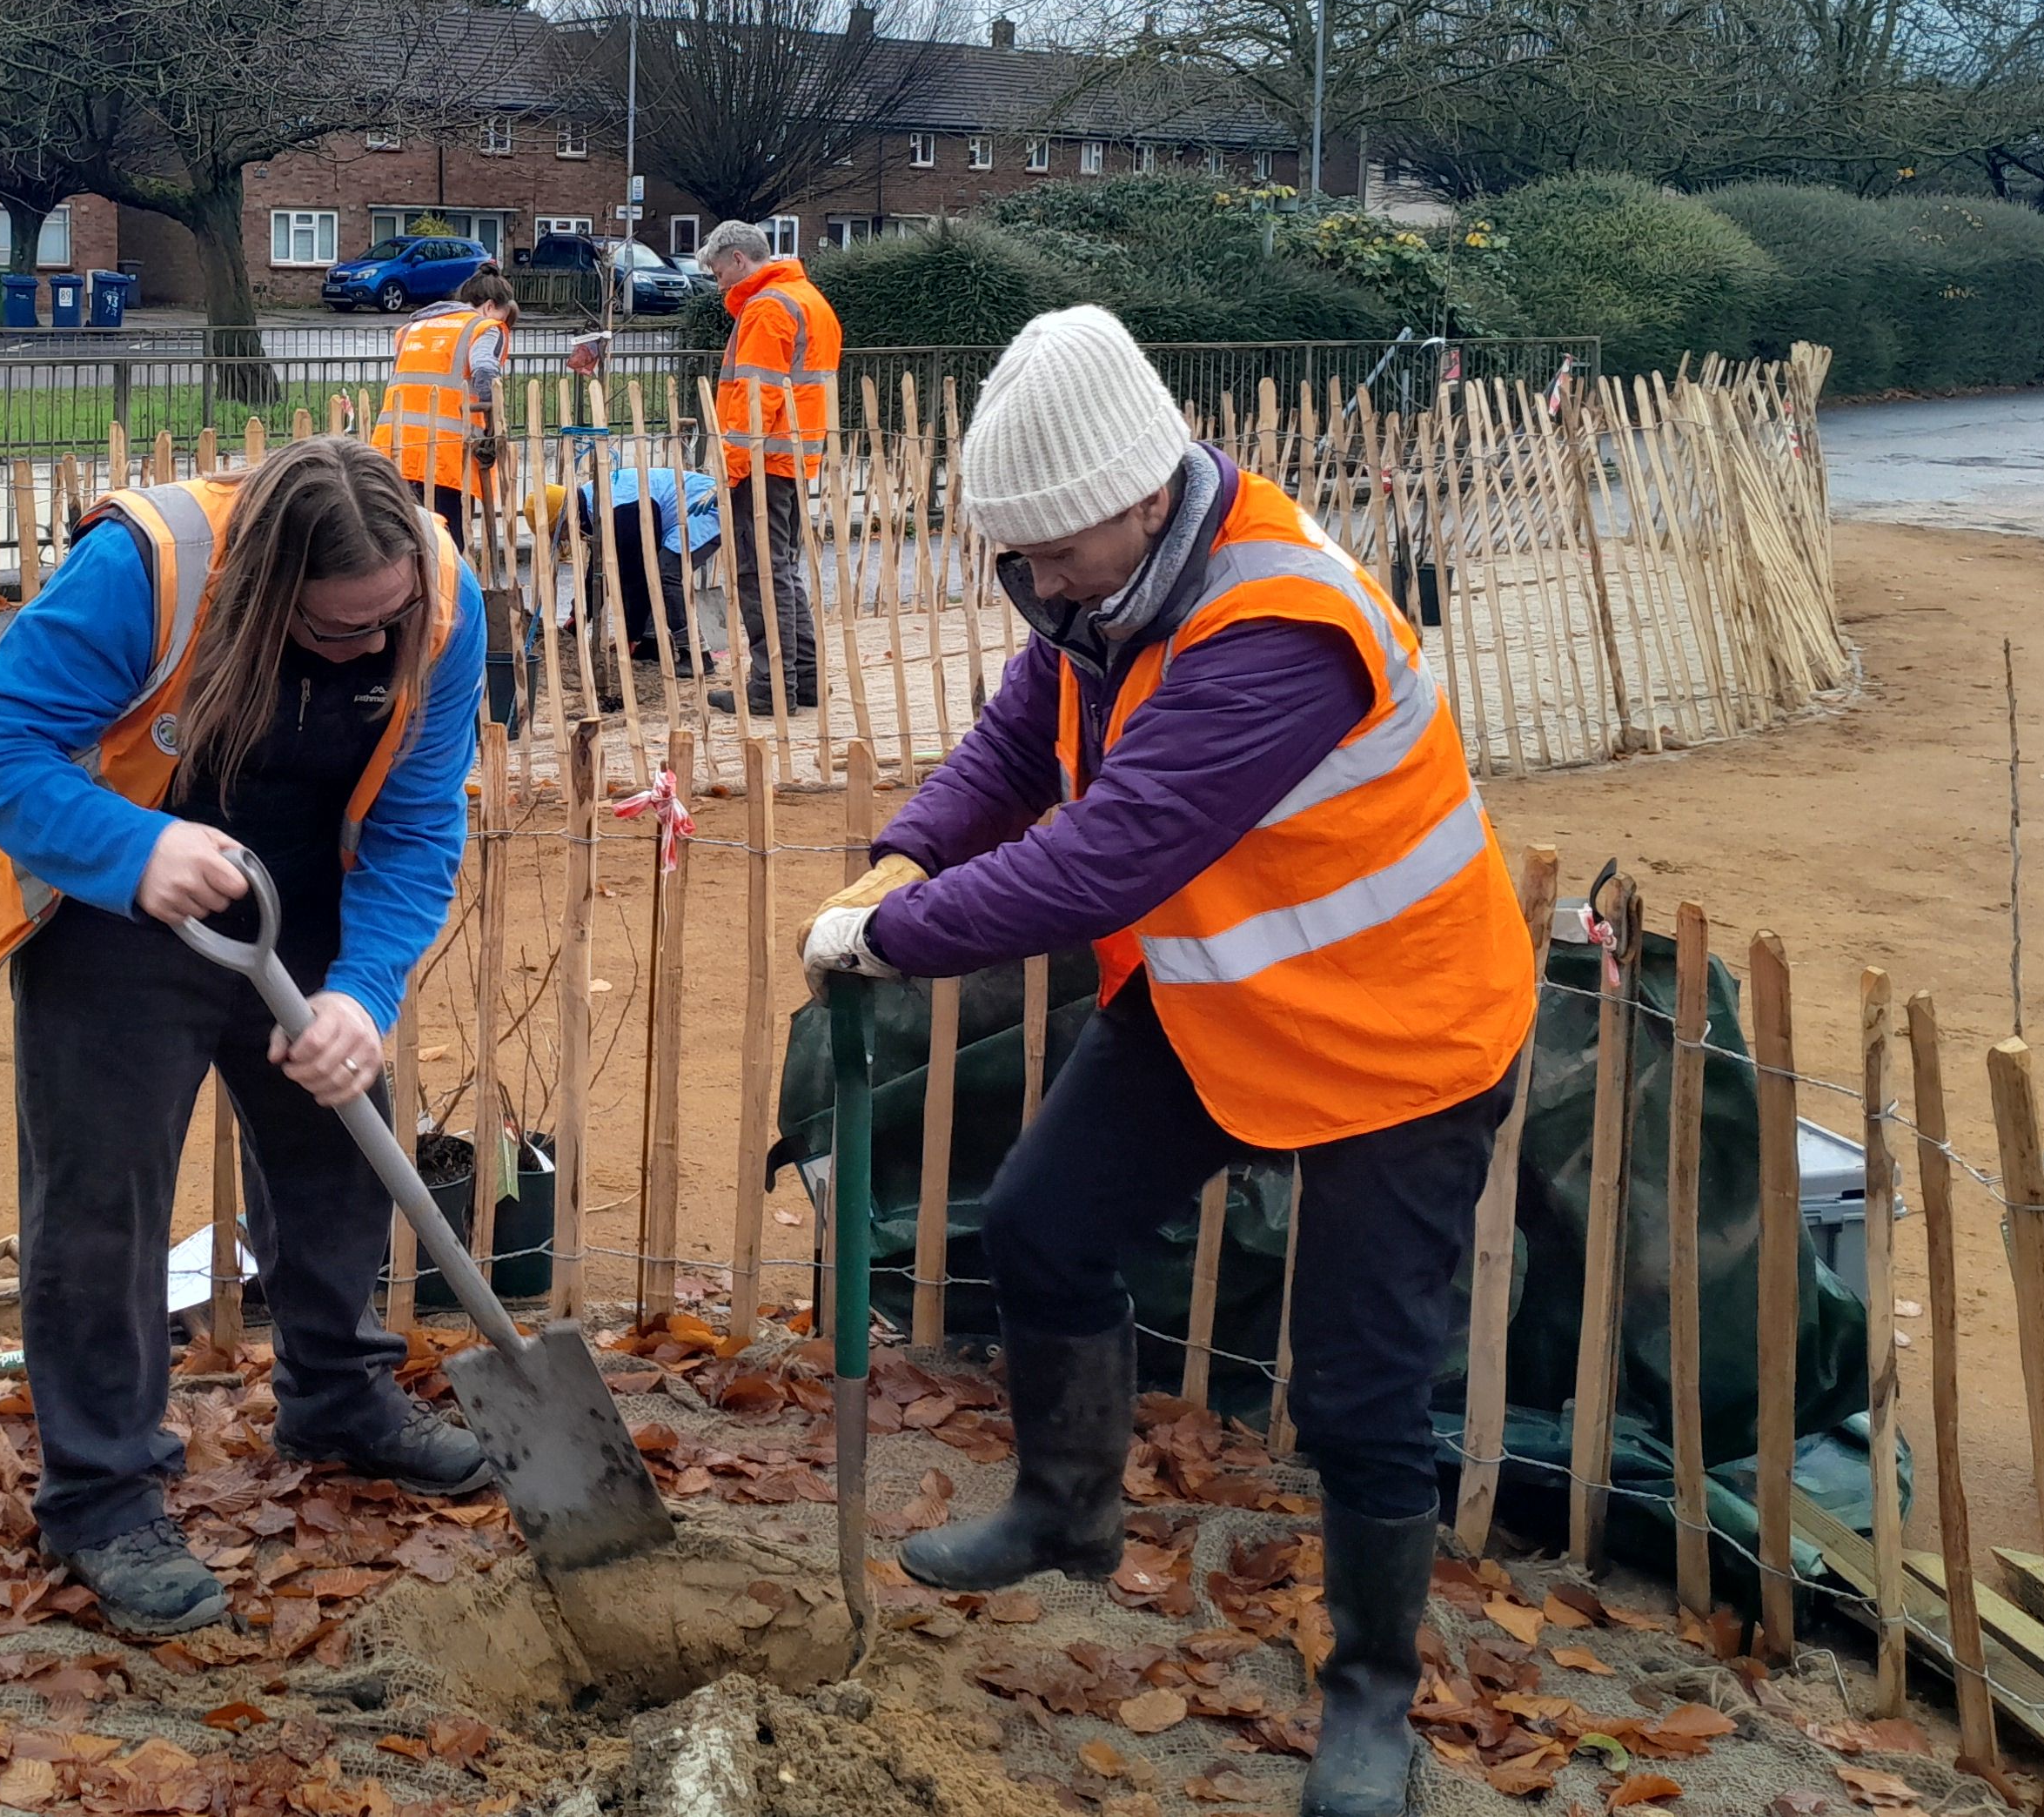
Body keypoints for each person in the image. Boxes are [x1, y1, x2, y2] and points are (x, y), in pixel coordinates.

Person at [798, 305, 1537, 1817]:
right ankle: (1068, 1517)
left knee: (1361, 1388)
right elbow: (1016, 748)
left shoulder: (1279, 628)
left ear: (1145, 495)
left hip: (1403, 1036)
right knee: (1040, 1229)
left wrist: (900, 938)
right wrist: (900, 859)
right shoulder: (1105, 591)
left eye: (1052, 555)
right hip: (1225, 1002)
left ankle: (1371, 1702)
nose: (1033, 588)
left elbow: (1106, 860)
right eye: (1017, 559)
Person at [0, 435, 492, 1639]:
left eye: (389, 621)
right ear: (263, 593)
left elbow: (414, 819)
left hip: (311, 902)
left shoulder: (442, 606)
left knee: (341, 1153)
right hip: (116, 911)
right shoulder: (142, 569)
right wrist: (138, 851)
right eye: (341, 631)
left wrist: (365, 994)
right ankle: (102, 1496)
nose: (375, 651)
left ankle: (339, 1398)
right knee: (103, 1209)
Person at [695, 221, 837, 714]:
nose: (719, 287)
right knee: (782, 570)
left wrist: (731, 470)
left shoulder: (768, 308)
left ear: (738, 259)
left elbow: (755, 401)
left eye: (718, 274)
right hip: (796, 454)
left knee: (761, 574)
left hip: (764, 460)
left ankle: (770, 688)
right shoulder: (807, 299)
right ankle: (804, 680)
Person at [371, 265, 519, 538]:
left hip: (395, 448)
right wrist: (491, 427)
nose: (503, 324)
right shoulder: (484, 327)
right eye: (503, 316)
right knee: (447, 544)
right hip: (446, 455)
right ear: (489, 306)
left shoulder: (413, 328)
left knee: (403, 538)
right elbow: (485, 370)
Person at [532, 466, 715, 672]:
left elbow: (635, 580)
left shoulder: (619, 512)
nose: (564, 539)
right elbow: (599, 570)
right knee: (653, 574)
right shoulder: (591, 508)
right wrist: (580, 613)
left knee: (665, 575)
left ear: (564, 519)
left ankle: (696, 655)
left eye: (560, 533)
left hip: (702, 505)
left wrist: (631, 635)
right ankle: (651, 645)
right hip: (678, 512)